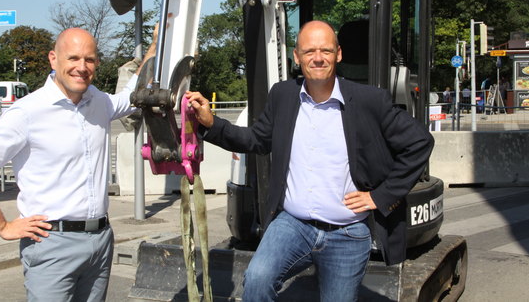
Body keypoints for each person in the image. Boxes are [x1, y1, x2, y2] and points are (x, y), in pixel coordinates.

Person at [186, 21, 434, 302]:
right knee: (256, 281)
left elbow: (420, 142)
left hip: (348, 233)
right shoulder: (282, 95)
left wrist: (381, 196)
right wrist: (210, 123)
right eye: (309, 51)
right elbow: (255, 140)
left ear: (338, 54)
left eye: (326, 50)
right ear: (297, 57)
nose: (318, 58)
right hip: (293, 225)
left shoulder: (369, 101)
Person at [0, 27, 156, 301]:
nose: (81, 67)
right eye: (73, 58)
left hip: (100, 241)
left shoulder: (99, 102)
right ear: (54, 59)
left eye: (89, 59)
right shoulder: (28, 111)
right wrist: (3, 227)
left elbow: (134, 94)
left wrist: (156, 46)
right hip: (52, 243)